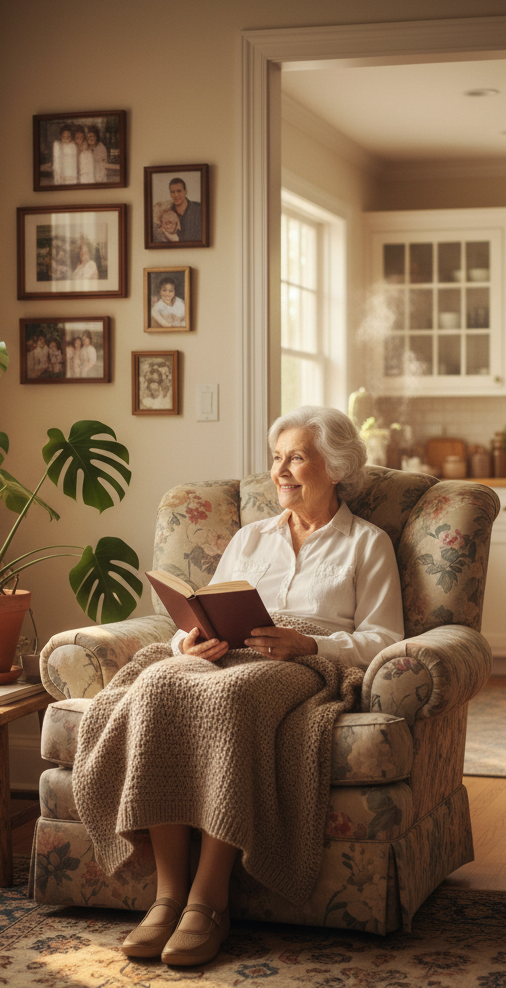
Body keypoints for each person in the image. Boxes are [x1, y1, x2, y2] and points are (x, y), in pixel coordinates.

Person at [72, 406, 404, 966]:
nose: (280, 471)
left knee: (228, 699)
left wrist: (311, 645)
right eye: (277, 458)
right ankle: (167, 895)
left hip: (303, 665)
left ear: (338, 465)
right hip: (227, 654)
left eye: (297, 457)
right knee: (156, 684)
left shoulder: (367, 543)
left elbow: (384, 636)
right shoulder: (250, 539)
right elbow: (200, 612)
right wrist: (188, 644)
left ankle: (208, 900)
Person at [152, 177, 202, 242]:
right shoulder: (167, 213)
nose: (176, 195)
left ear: (185, 192)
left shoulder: (199, 209)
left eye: (179, 191)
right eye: (172, 192)